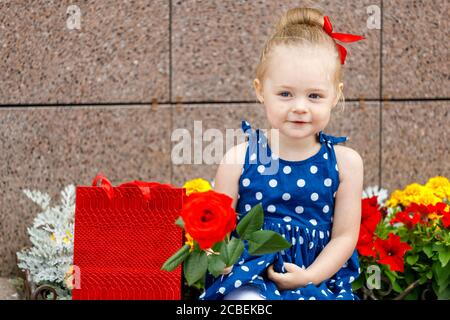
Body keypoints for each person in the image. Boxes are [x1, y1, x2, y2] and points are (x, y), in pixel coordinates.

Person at [199, 6, 365, 300]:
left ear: (335, 95)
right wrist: (218, 254)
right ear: (261, 91)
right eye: (285, 94)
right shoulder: (239, 160)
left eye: (314, 95)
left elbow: (344, 237)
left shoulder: (345, 163)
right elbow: (217, 227)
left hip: (316, 276)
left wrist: (310, 276)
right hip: (249, 275)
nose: (300, 106)